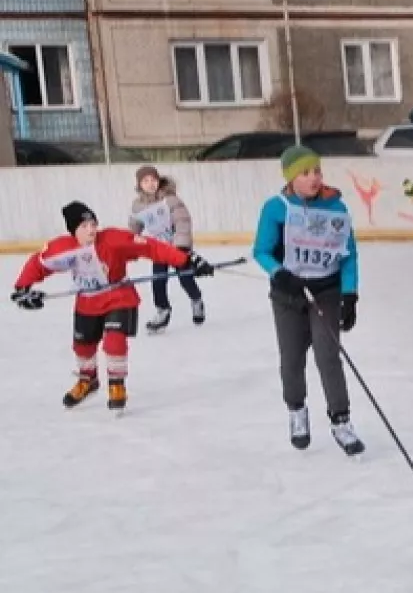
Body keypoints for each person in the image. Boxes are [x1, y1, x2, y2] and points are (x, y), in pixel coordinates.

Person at [11, 201, 209, 412]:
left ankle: (117, 385)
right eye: (84, 227)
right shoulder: (62, 248)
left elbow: (150, 247)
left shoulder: (114, 240)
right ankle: (88, 380)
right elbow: (38, 264)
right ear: (73, 231)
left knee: (115, 341)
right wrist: (22, 289)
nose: (91, 230)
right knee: (83, 346)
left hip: (118, 297)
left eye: (93, 224)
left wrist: (186, 261)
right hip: (87, 301)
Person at [252, 145, 365, 455]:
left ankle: (341, 420)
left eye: (317, 171)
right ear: (291, 178)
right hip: (289, 294)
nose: (314, 177)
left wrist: (350, 294)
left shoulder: (336, 208)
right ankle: (297, 411)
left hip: (325, 292)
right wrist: (279, 273)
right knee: (291, 359)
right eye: (305, 173)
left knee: (328, 355)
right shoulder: (276, 208)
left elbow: (348, 255)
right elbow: (260, 250)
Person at [127, 165, 205, 332]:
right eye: (145, 181)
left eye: (153, 180)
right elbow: (135, 226)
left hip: (177, 247)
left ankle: (196, 299)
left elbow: (182, 221)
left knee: (185, 278)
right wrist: (130, 242)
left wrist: (181, 245)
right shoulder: (138, 205)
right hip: (159, 249)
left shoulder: (170, 199)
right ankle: (163, 310)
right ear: (139, 185)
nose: (150, 184)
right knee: (158, 280)